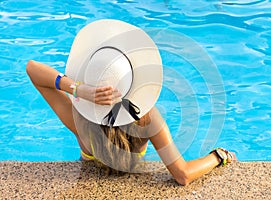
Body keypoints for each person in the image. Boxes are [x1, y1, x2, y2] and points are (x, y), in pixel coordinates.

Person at [26, 19, 235, 186]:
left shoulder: (80, 121)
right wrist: (218, 156)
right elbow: (183, 175)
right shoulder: (147, 119)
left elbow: (33, 69)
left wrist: (78, 89)